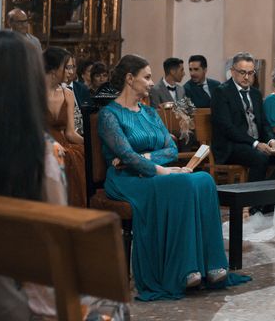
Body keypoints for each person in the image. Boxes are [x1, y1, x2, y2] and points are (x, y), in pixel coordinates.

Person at [0, 31, 128, 320]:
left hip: (1, 290)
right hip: (30, 300)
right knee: (114, 307)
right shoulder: (40, 154)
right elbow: (57, 237)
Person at [97, 54, 249, 301]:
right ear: (129, 79)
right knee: (180, 182)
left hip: (147, 171)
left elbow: (170, 149)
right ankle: (184, 268)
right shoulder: (109, 115)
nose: (150, 83)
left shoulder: (149, 112)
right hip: (127, 180)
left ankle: (211, 264)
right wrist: (159, 169)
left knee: (203, 180)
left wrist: (146, 156)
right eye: (146, 77)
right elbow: (125, 155)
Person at [211, 52, 275, 183]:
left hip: (254, 143)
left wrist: (271, 140)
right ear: (232, 71)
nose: (247, 77)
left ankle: (270, 199)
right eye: (242, 72)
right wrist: (256, 144)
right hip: (231, 146)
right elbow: (227, 128)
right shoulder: (221, 92)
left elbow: (264, 123)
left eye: (251, 73)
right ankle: (253, 201)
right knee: (260, 158)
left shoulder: (256, 93)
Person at [43, 47, 87, 207]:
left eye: (72, 67)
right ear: (54, 70)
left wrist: (90, 143)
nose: (71, 72)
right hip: (42, 144)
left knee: (81, 155)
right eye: (66, 67)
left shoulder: (68, 93)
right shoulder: (34, 91)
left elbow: (70, 133)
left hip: (64, 143)